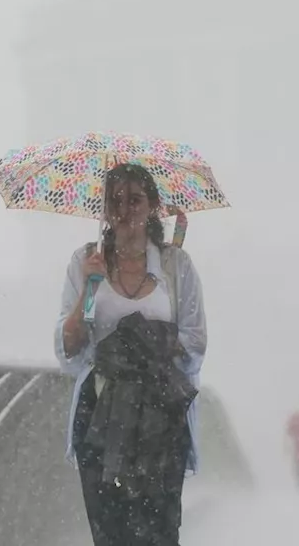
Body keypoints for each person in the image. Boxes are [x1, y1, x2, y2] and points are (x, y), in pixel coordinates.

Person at [55, 163, 208, 546]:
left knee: (159, 532)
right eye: (116, 201)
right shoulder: (85, 261)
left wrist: (144, 345)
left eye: (135, 200)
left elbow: (195, 343)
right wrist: (91, 285)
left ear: (153, 206)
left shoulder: (176, 266)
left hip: (162, 415)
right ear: (104, 210)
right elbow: (70, 347)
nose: (125, 210)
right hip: (100, 415)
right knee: (110, 533)